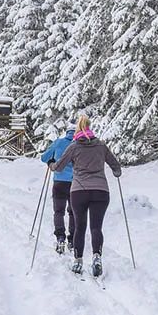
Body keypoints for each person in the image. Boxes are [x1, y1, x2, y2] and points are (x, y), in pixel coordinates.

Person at [49, 114, 121, 277]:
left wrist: (51, 165)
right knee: (96, 227)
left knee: (80, 226)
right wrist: (116, 172)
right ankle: (96, 256)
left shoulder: (74, 147)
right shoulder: (101, 146)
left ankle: (78, 261)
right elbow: (116, 166)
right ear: (90, 128)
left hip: (79, 191)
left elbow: (59, 166)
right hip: (101, 191)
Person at [40, 120, 76, 254]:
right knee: (74, 212)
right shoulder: (79, 144)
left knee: (58, 212)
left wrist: (51, 161)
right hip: (76, 183)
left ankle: (60, 238)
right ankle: (72, 240)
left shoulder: (59, 142)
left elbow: (44, 158)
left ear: (66, 132)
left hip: (59, 182)